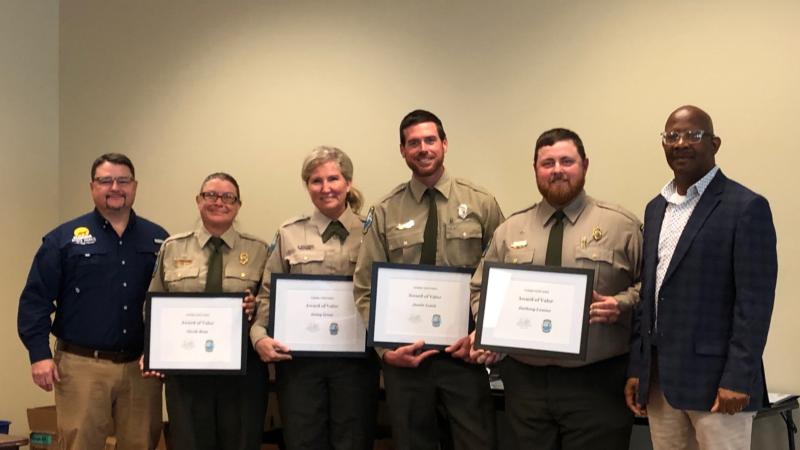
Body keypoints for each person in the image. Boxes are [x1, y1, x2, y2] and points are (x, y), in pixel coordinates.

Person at [469, 128, 642, 449]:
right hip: (525, 384)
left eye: (567, 161)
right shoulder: (510, 229)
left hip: (597, 382)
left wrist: (621, 302)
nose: (557, 169)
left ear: (585, 166)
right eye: (547, 163)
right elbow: (481, 289)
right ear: (535, 169)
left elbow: (652, 289)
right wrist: (491, 331)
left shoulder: (622, 226)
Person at [625, 105, 777, 450]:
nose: (680, 143)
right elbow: (649, 297)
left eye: (693, 135)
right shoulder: (656, 207)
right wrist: (639, 368)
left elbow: (754, 305)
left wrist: (739, 378)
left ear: (715, 143)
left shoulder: (745, 207)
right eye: (671, 136)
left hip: (719, 385)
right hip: (661, 383)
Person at [353, 109, 504, 450]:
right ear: (403, 150)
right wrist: (384, 350)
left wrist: (484, 335)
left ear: (445, 144)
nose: (423, 148)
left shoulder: (481, 203)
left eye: (430, 140)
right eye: (413, 142)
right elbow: (365, 288)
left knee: (477, 443)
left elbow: (502, 277)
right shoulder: (385, 210)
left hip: (464, 356)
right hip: (406, 360)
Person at [17, 153, 167, 450]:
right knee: (80, 444)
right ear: (92, 187)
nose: (115, 187)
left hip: (142, 368)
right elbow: (35, 300)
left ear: (134, 186)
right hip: (82, 365)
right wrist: (39, 354)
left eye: (123, 180)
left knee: (142, 444)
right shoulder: (64, 239)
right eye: (105, 180)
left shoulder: (159, 240)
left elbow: (171, 301)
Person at [250, 146, 380, 450]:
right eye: (315, 181)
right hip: (299, 363)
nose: (325, 188)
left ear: (348, 182)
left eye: (333, 179)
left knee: (354, 440)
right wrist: (258, 336)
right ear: (307, 186)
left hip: (357, 363)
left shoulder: (373, 233)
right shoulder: (289, 233)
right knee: (302, 440)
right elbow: (268, 293)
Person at [148, 172, 269, 450]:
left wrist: (256, 307)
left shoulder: (260, 250)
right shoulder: (172, 247)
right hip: (186, 372)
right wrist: (154, 350)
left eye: (228, 197)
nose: (219, 202)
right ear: (198, 200)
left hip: (243, 373)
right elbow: (153, 303)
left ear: (238, 205)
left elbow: (269, 305)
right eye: (210, 195)